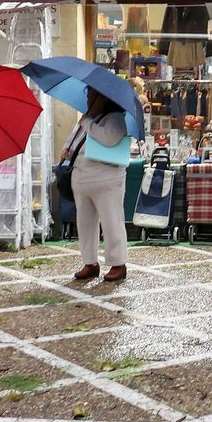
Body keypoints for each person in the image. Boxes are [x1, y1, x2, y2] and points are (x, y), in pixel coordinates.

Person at [59, 90, 130, 282]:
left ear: (104, 97)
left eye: (92, 95)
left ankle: (118, 263)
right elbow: (73, 142)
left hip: (106, 179)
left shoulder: (115, 118)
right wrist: (67, 148)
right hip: (81, 178)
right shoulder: (87, 119)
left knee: (111, 222)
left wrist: (87, 123)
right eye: (88, 95)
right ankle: (89, 262)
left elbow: (109, 138)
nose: (89, 99)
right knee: (85, 224)